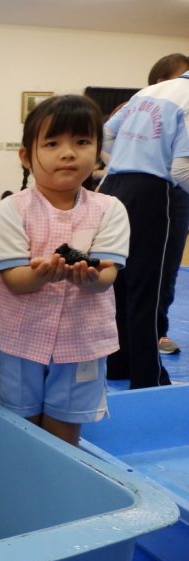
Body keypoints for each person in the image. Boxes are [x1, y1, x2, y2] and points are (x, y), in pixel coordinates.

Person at [0, 95, 129, 446]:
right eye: (52, 143)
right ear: (25, 156)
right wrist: (41, 273)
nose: (68, 153)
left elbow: (108, 274)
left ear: (97, 152)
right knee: (19, 429)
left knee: (64, 434)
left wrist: (92, 277)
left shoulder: (110, 208)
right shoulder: (10, 210)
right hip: (20, 341)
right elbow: (16, 281)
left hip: (82, 342)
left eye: (82, 142)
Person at [99, 53, 189, 388]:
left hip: (114, 186)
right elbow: (181, 169)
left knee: (119, 281)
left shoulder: (145, 93)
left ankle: (119, 364)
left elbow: (104, 135)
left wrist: (123, 159)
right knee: (149, 289)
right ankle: (147, 378)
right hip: (155, 192)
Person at [148, 54, 189, 356]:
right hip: (158, 194)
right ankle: (149, 332)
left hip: (176, 194)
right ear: (163, 82)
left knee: (167, 268)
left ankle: (156, 331)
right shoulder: (141, 107)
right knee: (147, 268)